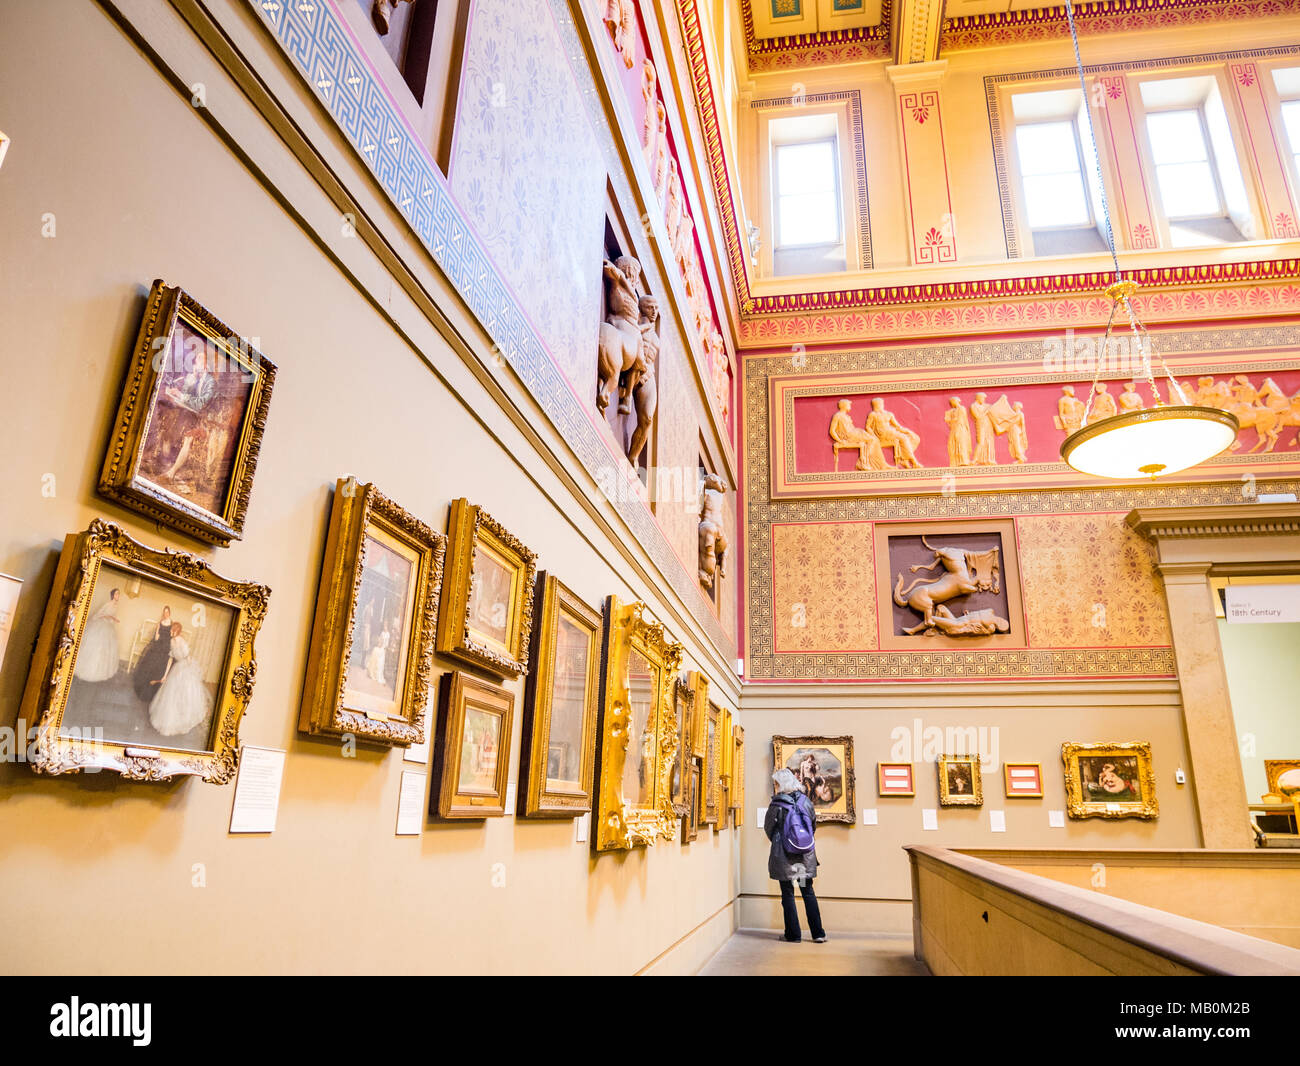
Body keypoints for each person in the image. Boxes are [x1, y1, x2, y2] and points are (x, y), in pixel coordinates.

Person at [764, 768, 826, 944]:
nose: (774, 786)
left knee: (788, 894)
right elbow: (812, 826)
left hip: (785, 856)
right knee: (807, 892)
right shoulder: (806, 801)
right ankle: (818, 933)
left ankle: (793, 934)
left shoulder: (777, 804)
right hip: (804, 857)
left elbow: (769, 828)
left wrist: (780, 841)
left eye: (776, 783)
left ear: (780, 784)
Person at [149, 623, 211, 737]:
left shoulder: (180, 640)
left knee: (186, 692)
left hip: (185, 667)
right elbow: (171, 659)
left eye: (173, 630)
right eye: (171, 630)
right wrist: (165, 676)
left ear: (177, 631)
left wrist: (189, 671)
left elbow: (187, 656)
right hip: (178, 667)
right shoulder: (172, 642)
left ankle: (185, 716)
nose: (171, 632)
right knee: (172, 694)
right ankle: (172, 718)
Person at [75, 588, 122, 682]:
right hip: (101, 625)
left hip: (108, 627)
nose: (118, 596)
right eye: (116, 594)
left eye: (119, 594)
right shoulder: (108, 604)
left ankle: (100, 670)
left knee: (106, 648)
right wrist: (109, 617)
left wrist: (113, 619)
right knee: (96, 646)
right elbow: (99, 614)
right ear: (113, 595)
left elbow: (112, 617)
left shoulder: (116, 606)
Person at [132, 606, 173, 701]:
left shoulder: (172, 623)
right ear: (163, 613)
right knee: (151, 663)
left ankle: (156, 690)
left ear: (170, 613)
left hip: (166, 647)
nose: (166, 614)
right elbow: (156, 638)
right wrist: (158, 633)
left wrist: (168, 642)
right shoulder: (160, 623)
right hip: (158, 646)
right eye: (164, 612)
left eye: (167, 612)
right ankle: (146, 689)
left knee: (161, 665)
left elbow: (172, 637)